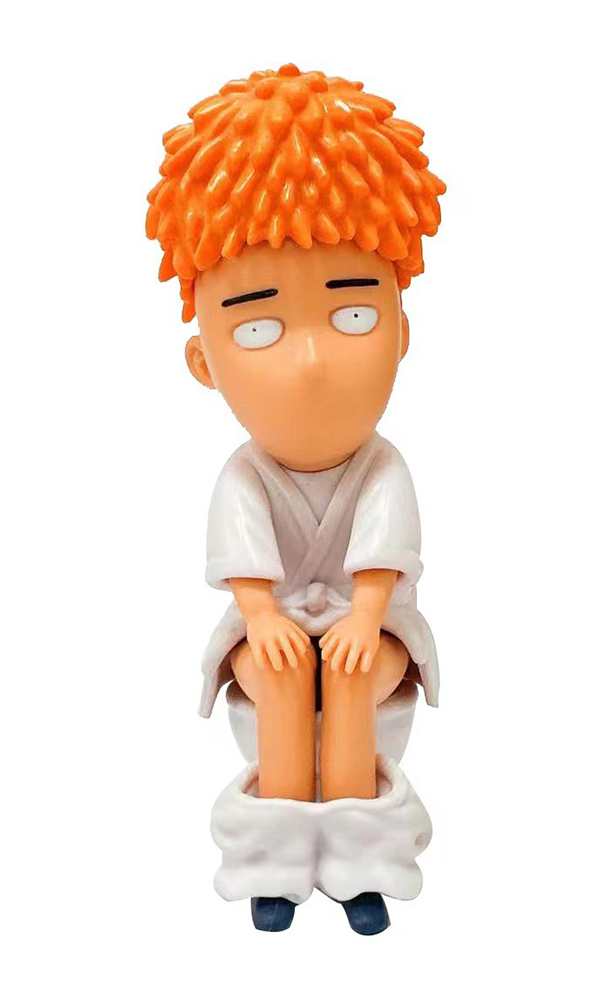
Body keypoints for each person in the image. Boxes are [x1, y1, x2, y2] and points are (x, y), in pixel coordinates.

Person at [146, 64, 445, 935]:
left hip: (371, 624)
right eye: (259, 327)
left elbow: (383, 563)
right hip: (270, 625)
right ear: (204, 362)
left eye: (352, 316)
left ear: (400, 331)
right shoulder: (244, 476)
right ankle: (271, 862)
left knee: (351, 678)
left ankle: (360, 865)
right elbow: (247, 575)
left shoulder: (383, 467)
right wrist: (263, 619)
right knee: (279, 677)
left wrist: (366, 618)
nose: (311, 362)